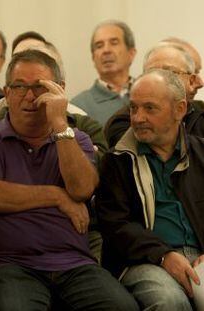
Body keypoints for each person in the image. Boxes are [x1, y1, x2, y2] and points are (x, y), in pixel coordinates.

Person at [0, 49, 138, 310]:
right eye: (20, 86)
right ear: (7, 92)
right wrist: (56, 196)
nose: (30, 96)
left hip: (74, 264)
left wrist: (59, 124)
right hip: (9, 264)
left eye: (40, 87)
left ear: (59, 92)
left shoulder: (78, 139)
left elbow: (81, 190)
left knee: (123, 307)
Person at [97, 69, 204, 310]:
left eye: (149, 108)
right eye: (133, 108)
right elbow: (115, 226)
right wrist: (164, 255)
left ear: (180, 110)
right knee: (170, 301)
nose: (138, 118)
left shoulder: (201, 153)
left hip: (199, 257)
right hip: (141, 261)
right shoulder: (117, 161)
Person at [105, 43, 204, 147]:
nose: (159, 81)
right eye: (152, 73)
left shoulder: (200, 116)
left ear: (191, 81)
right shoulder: (123, 122)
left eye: (170, 73)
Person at [71, 20, 136, 125]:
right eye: (99, 46)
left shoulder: (149, 93)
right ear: (93, 57)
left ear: (131, 53)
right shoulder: (78, 106)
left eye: (114, 43)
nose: (106, 50)